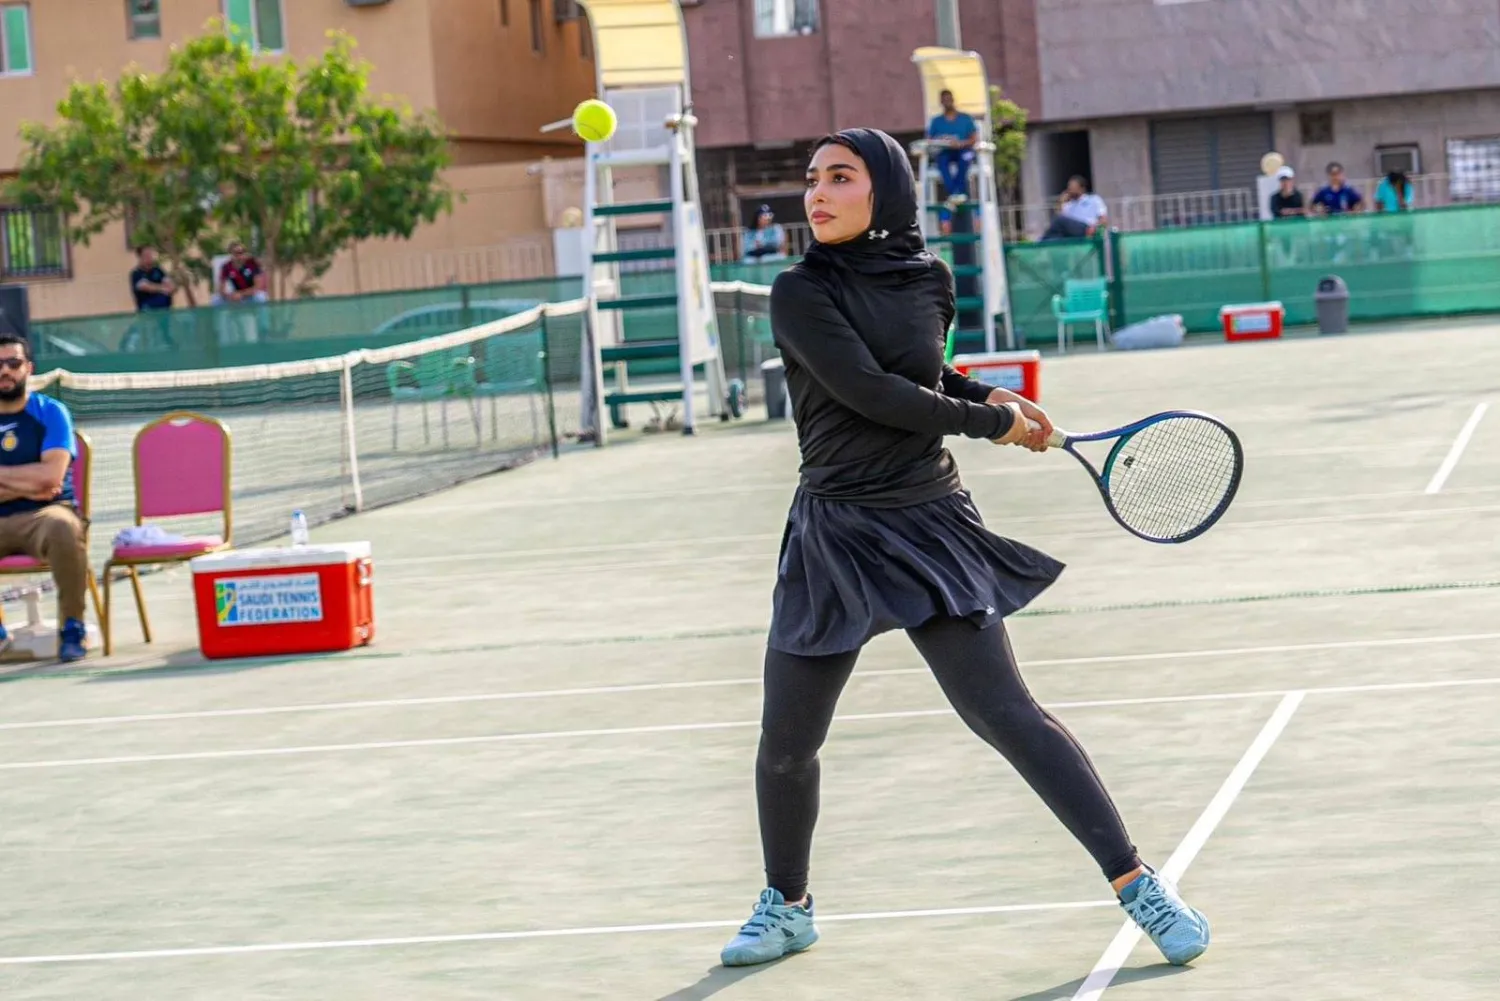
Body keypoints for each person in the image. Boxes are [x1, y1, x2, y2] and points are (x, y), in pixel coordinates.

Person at [718, 128, 1211, 970]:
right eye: (812, 179)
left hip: (928, 524)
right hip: (834, 531)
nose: (817, 194)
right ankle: (787, 902)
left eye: (841, 177)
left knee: (1005, 714)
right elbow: (870, 392)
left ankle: (1138, 884)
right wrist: (994, 422)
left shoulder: (929, 280)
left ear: (887, 193)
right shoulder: (799, 291)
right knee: (787, 743)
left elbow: (925, 374)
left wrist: (983, 391)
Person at [0, 334, 89, 662]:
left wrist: (18, 482)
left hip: (45, 513)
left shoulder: (51, 412)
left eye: (13, 363)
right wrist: (28, 482)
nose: (5, 371)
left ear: (28, 369)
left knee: (63, 526)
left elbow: (51, 478)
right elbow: (39, 478)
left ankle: (72, 627)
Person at [926, 89, 978, 203]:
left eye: (949, 99)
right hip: (945, 151)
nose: (947, 102)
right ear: (941, 102)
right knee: (941, 161)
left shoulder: (966, 118)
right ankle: (954, 193)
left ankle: (958, 191)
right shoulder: (936, 121)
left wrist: (960, 143)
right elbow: (929, 140)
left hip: (965, 150)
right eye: (944, 100)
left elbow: (974, 139)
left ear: (953, 99)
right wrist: (941, 140)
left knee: (965, 159)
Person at [1041, 175, 1109, 240]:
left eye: (1073, 187)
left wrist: (1095, 228)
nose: (1070, 189)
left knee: (1060, 220)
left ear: (1082, 188)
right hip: (1072, 232)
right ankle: (1043, 245)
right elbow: (1057, 222)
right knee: (1055, 234)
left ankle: (1040, 244)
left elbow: (1103, 218)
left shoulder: (1094, 199)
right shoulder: (1069, 205)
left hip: (1087, 228)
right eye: (1069, 187)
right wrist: (1061, 202)